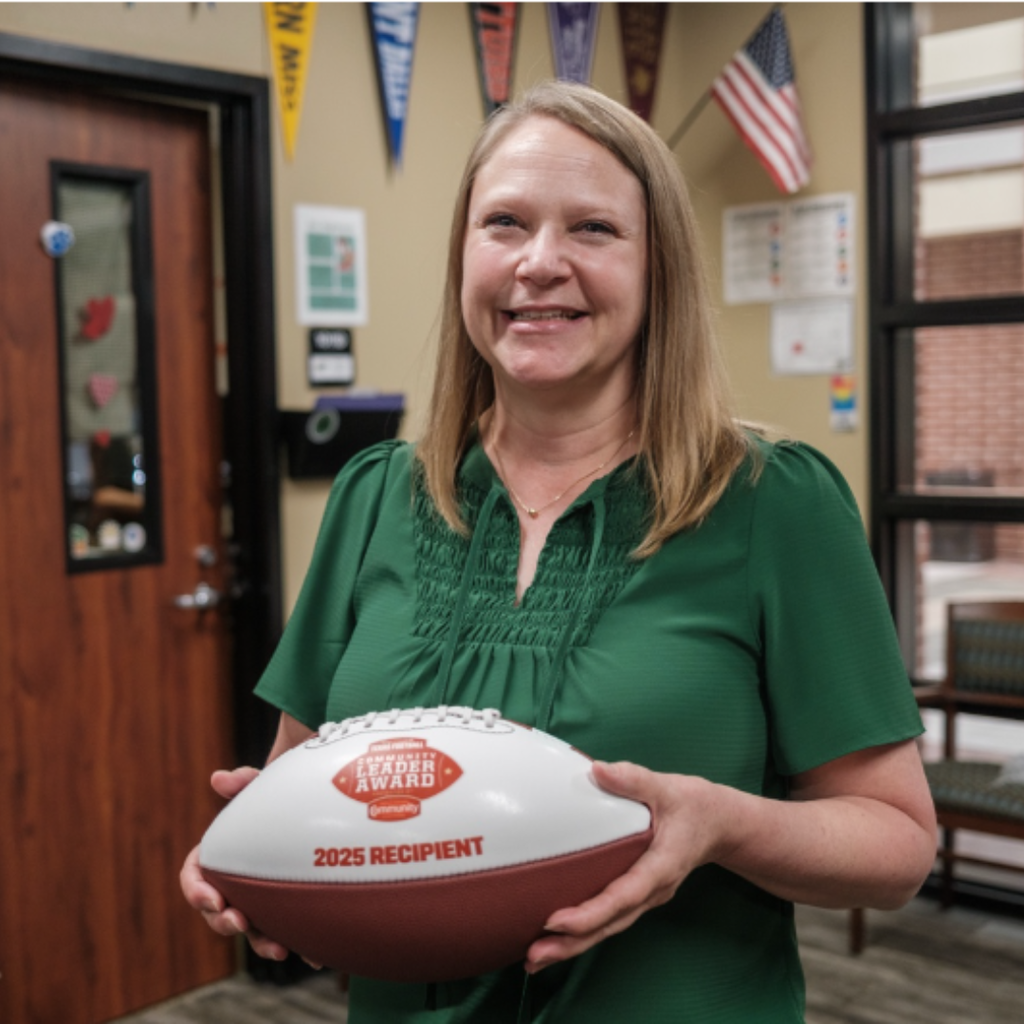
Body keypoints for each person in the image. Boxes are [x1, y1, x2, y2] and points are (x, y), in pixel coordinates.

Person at [181, 80, 937, 1022]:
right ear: (464, 255)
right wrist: (256, 846)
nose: (541, 263)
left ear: (658, 267)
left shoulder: (773, 501)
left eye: (592, 229)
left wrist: (719, 825)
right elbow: (301, 777)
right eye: (505, 223)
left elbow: (897, 846)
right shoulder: (373, 496)